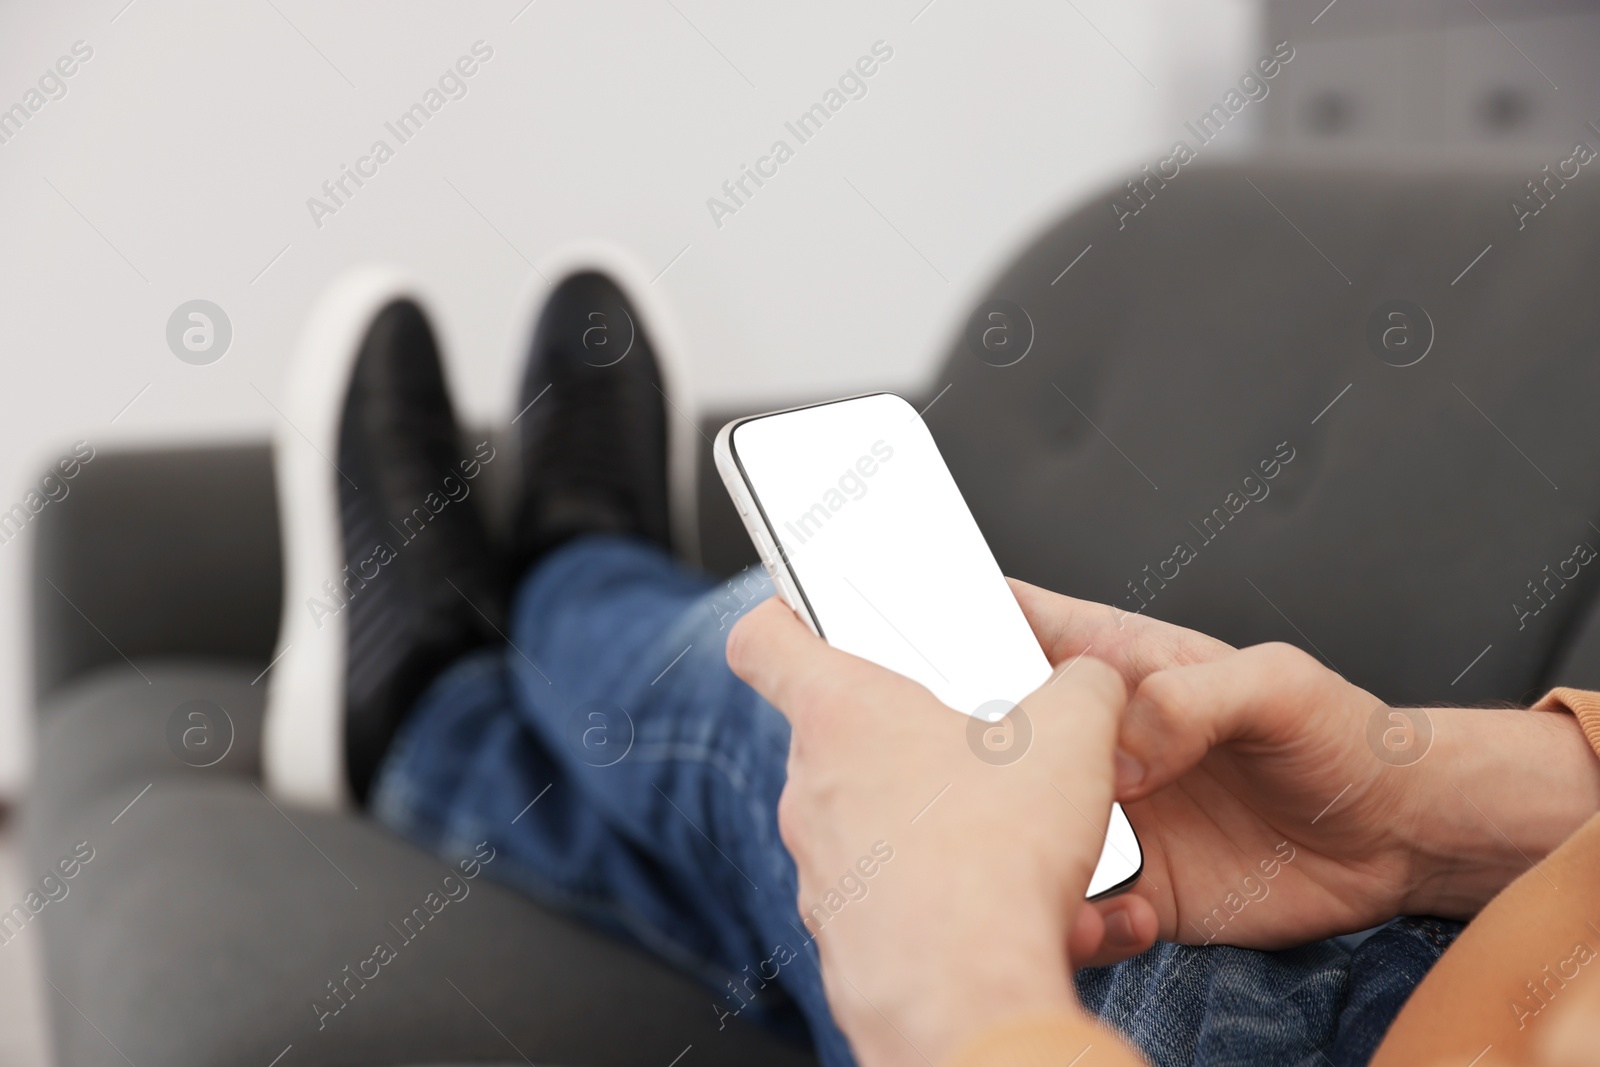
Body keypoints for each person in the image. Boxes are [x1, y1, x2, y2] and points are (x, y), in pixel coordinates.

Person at [273, 270, 1600, 1067]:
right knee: (840, 793)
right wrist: (1435, 812)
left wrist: (960, 991)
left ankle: (561, 585)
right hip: (1429, 939)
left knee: (793, 695)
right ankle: (441, 723)